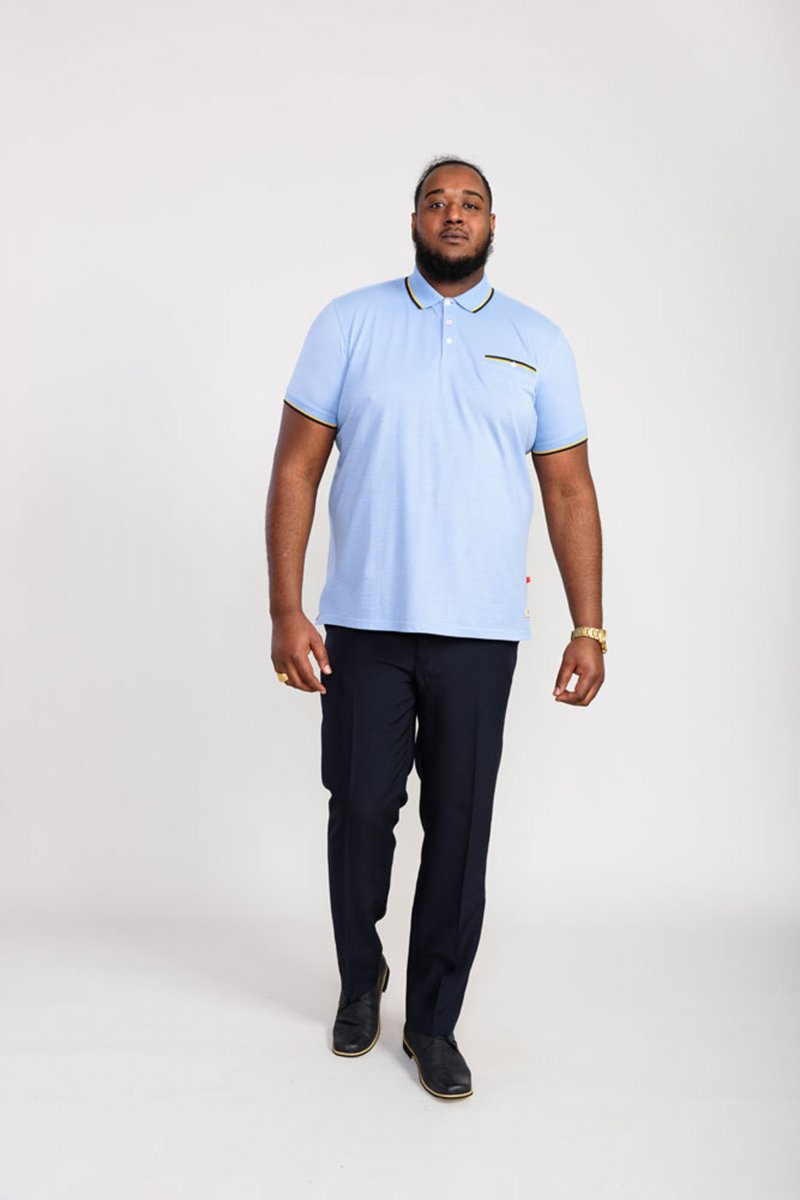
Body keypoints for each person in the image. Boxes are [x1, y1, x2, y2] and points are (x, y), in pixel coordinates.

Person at [265, 155, 605, 1101]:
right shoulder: (349, 323)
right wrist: (287, 608)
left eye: (471, 204)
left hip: (480, 633)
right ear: (413, 218)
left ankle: (434, 1023)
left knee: (459, 827)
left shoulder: (538, 340)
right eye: (436, 201)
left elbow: (569, 489)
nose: (453, 215)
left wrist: (590, 628)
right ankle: (359, 977)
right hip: (363, 624)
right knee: (360, 811)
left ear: (493, 223)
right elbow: (296, 469)